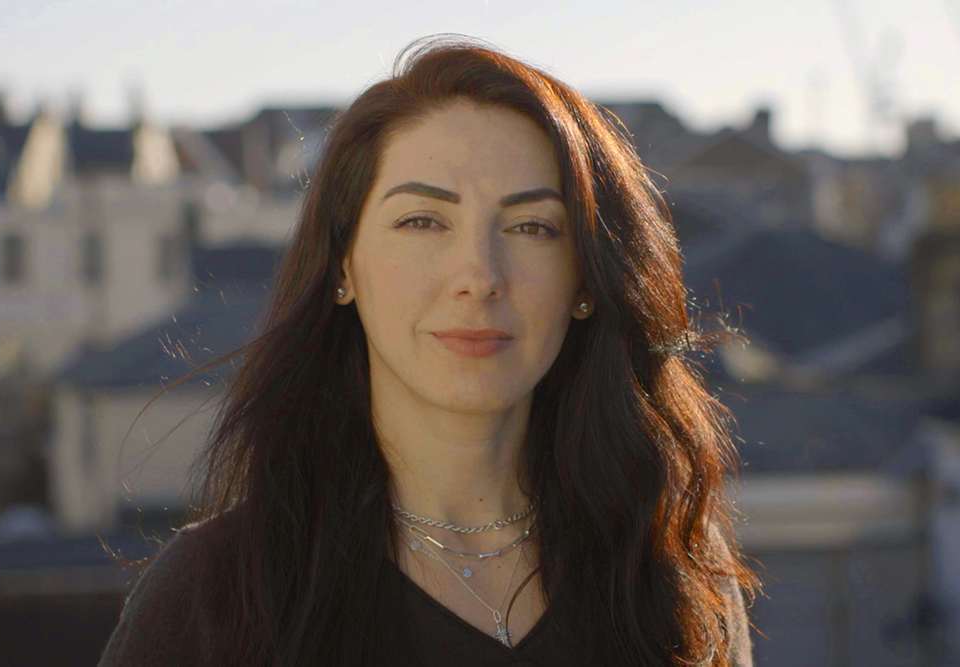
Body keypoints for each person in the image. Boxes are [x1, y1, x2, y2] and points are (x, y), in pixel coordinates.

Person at [98, 33, 759, 667]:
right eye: (422, 220)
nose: (478, 274)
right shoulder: (215, 596)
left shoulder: (674, 574)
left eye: (532, 226)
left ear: (585, 280)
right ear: (343, 269)